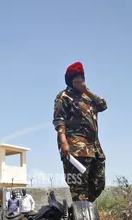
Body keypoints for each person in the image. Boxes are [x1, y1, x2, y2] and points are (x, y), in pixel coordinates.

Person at [53, 61, 108, 202]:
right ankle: (81, 216)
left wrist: (87, 91)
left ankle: (82, 212)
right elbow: (59, 120)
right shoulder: (63, 96)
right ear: (70, 80)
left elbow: (103, 105)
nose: (79, 80)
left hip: (94, 148)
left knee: (98, 183)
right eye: (76, 78)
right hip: (75, 148)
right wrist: (63, 142)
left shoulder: (88, 97)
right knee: (78, 187)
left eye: (81, 77)